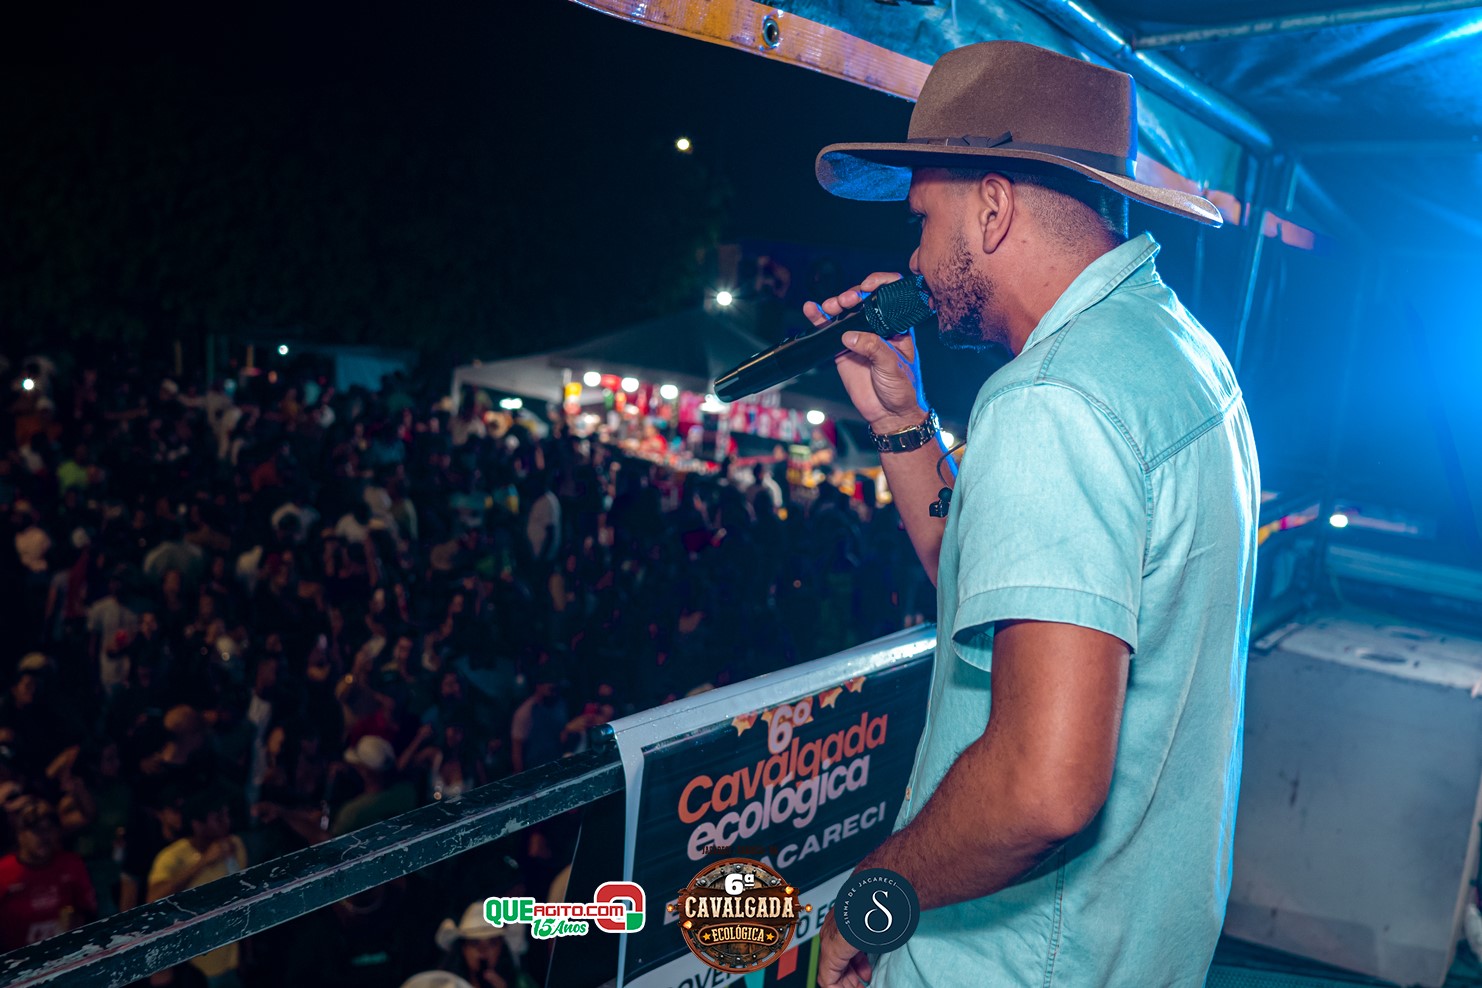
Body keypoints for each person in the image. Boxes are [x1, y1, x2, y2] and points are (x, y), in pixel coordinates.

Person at [806, 42, 1259, 987]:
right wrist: (900, 421)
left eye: (923, 219)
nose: (914, 257)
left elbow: (1042, 788)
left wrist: (873, 896)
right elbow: (994, 586)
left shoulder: (1048, 400)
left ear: (993, 207)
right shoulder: (1178, 355)